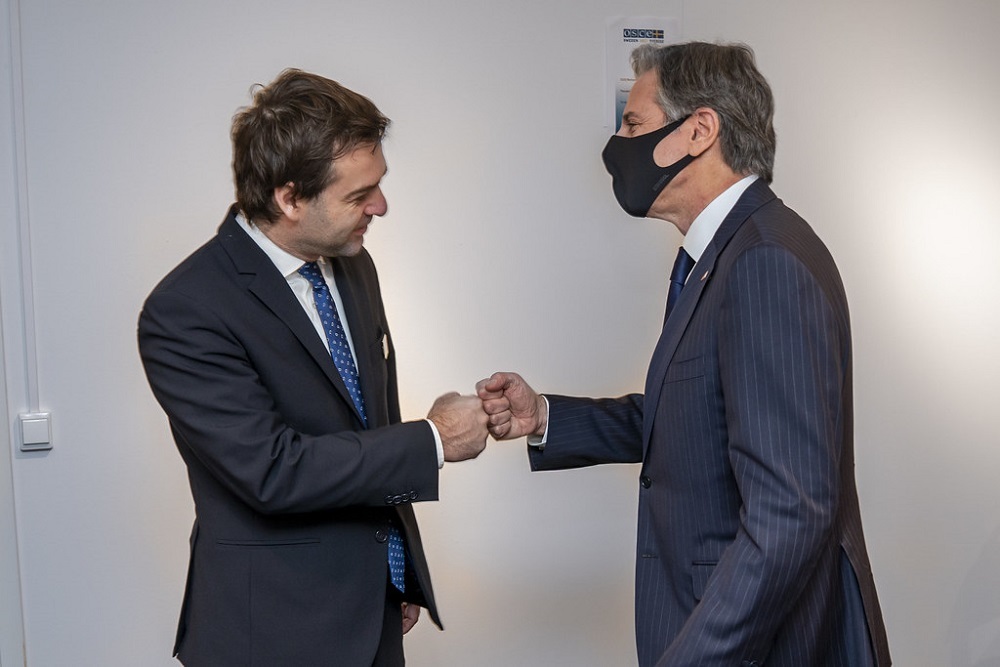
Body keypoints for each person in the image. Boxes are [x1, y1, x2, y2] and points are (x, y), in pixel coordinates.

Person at [478, 42, 891, 666]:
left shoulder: (764, 261)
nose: (617, 144)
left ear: (699, 131)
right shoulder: (725, 253)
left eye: (633, 124)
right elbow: (697, 414)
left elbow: (790, 511)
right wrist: (545, 417)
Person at [138, 69, 488, 666]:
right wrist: (434, 439)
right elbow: (273, 472)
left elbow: (365, 423)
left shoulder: (353, 263)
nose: (380, 206)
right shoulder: (185, 310)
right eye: (359, 195)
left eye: (379, 184)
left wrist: (397, 569)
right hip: (272, 634)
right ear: (290, 198)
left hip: (373, 609)